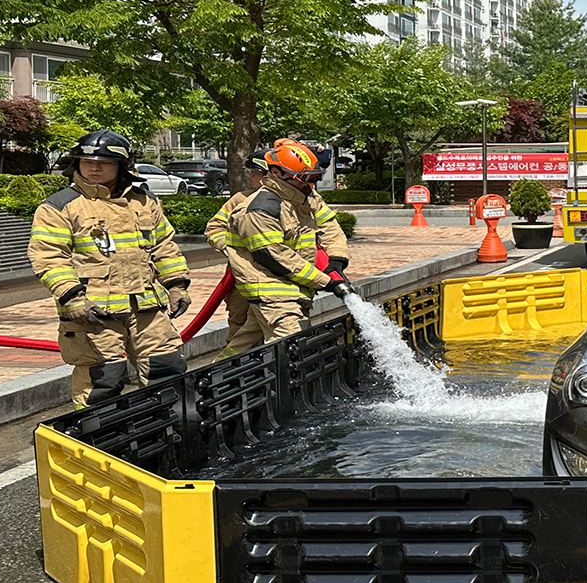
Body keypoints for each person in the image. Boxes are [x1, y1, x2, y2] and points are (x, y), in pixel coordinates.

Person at [28, 129, 191, 408]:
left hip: (147, 307)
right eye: (86, 161)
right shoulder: (60, 206)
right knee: (102, 381)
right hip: (93, 311)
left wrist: (176, 286)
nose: (94, 167)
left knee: (167, 369)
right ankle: (97, 440)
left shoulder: (144, 201)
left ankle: (168, 430)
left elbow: (164, 246)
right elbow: (48, 256)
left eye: (104, 162)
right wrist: (72, 298)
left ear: (122, 166)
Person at [223, 140, 351, 351]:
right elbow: (276, 257)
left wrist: (336, 259)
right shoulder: (259, 209)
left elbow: (329, 225)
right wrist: (325, 281)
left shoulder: (302, 199)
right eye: (304, 179)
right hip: (271, 290)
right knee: (293, 347)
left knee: (244, 347)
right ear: (277, 173)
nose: (309, 184)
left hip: (293, 288)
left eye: (314, 178)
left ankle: (212, 381)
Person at [205, 148, 270, 358]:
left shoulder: (292, 202)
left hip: (276, 280)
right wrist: (231, 249)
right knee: (239, 325)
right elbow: (214, 228)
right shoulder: (239, 199)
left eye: (255, 173)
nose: (250, 176)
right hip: (241, 280)